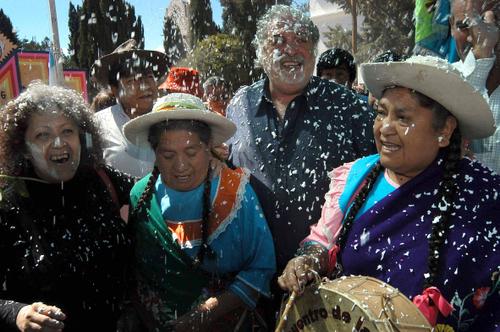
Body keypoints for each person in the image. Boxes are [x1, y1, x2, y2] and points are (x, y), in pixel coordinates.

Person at [278, 56, 499, 331]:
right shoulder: (356, 177)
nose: (384, 128)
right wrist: (308, 259)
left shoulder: (483, 196)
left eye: (403, 117)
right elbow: (322, 240)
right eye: (381, 113)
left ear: (444, 130)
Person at [226, 4, 376, 274]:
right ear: (260, 50)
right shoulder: (239, 106)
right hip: (252, 273)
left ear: (314, 49)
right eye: (278, 40)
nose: (291, 49)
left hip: (328, 276)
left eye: (301, 39)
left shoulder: (348, 106)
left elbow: (378, 175)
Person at [123, 93, 276, 331]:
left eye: (191, 152)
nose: (181, 165)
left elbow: (261, 268)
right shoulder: (141, 196)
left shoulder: (236, 193)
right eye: (168, 155)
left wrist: (204, 315)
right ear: (154, 154)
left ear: (209, 149)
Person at [0, 82, 133, 332]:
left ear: (82, 137)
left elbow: (155, 189)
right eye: (43, 135)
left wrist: (208, 158)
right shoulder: (8, 206)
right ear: (23, 148)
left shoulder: (103, 180)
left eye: (67, 131)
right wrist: (17, 313)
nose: (59, 143)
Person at [91, 39, 168, 178]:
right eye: (131, 80)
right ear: (115, 90)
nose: (144, 86)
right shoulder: (97, 125)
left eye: (149, 77)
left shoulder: (171, 117)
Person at [450, 0, 499, 173]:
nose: (476, 36)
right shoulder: (437, 79)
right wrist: (481, 55)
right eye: (464, 25)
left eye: (492, 26)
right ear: (451, 27)